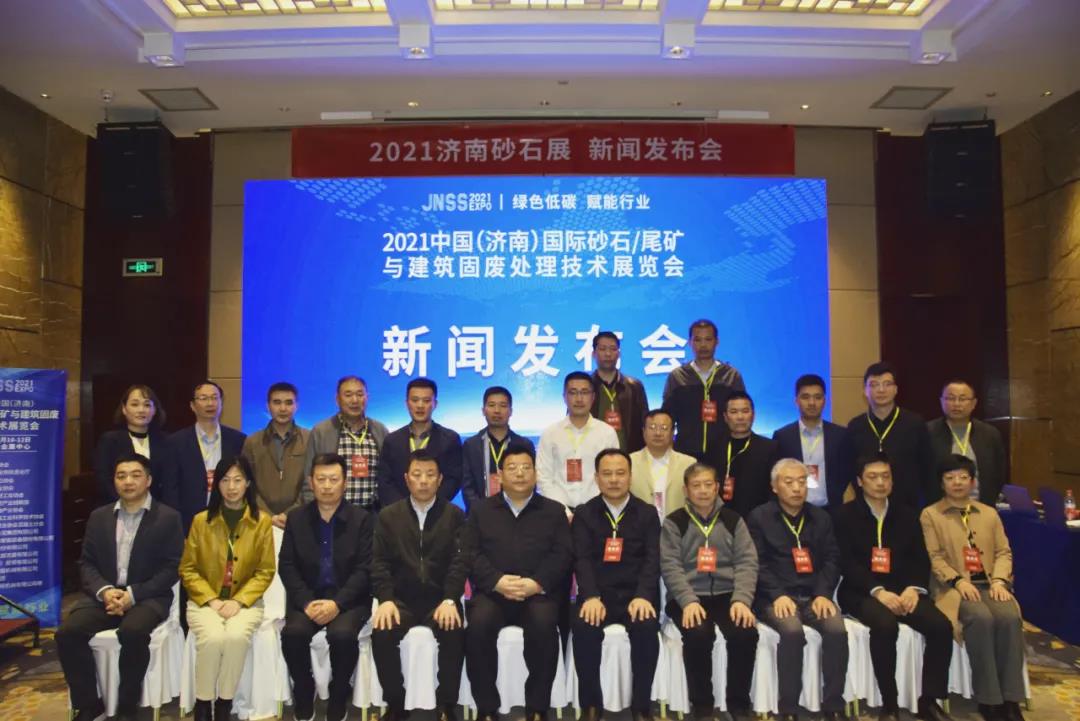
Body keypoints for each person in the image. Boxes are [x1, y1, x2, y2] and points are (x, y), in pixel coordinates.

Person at [57, 454, 184, 721]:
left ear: (148, 480)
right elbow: (87, 563)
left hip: (147, 596)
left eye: (136, 475)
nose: (128, 481)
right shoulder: (99, 517)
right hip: (105, 596)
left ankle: (126, 706)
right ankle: (88, 704)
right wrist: (105, 591)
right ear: (114, 481)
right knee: (68, 633)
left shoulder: (168, 517)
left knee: (133, 632)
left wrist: (132, 595)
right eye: (121, 476)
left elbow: (172, 568)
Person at [833, 453, 952, 721]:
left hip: (903, 590)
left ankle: (929, 700)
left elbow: (920, 559)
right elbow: (846, 563)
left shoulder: (907, 515)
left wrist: (914, 589)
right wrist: (878, 591)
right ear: (859, 481)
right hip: (861, 591)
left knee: (940, 627)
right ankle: (890, 703)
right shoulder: (844, 516)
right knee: (885, 625)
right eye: (873, 477)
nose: (880, 483)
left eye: (885, 477)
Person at [465, 444, 573, 721]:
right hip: (493, 592)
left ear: (536, 474)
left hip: (537, 592)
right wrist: (496, 581)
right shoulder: (480, 510)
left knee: (544, 625)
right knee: (477, 626)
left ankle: (537, 707)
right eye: (512, 468)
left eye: (526, 468)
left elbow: (562, 554)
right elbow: (470, 554)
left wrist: (537, 583)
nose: (520, 474)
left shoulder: (553, 511)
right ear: (500, 475)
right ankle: (486, 708)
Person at [920, 455, 1026, 721]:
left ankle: (1011, 699)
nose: (957, 483)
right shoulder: (931, 515)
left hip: (991, 584)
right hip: (954, 589)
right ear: (941, 483)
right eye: (950, 478)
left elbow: (1003, 552)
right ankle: (989, 701)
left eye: (963, 477)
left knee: (1009, 617)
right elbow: (935, 558)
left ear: (973, 482)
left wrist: (1000, 580)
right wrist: (958, 581)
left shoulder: (989, 513)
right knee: (981, 618)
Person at [371, 450, 468, 721]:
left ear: (440, 480)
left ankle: (446, 704)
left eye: (430, 475)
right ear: (406, 479)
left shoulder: (454, 515)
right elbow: (378, 563)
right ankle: (396, 704)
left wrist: (450, 599)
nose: (423, 481)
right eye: (417, 475)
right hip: (400, 600)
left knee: (453, 629)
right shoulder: (388, 516)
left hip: (440, 599)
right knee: (382, 631)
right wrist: (385, 599)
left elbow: (460, 563)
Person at [748, 459, 847, 721]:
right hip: (775, 597)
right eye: (789, 482)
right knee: (792, 631)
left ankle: (834, 704)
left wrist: (823, 594)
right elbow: (757, 562)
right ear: (774, 486)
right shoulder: (760, 517)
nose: (796, 488)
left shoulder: (820, 517)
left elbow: (832, 560)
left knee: (836, 629)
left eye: (802, 482)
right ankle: (789, 708)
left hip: (814, 596)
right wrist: (778, 594)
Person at [279, 453, 375, 721]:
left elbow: (365, 570)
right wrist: (306, 602)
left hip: (348, 600)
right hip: (308, 598)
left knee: (342, 635)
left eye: (334, 479)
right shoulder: (297, 518)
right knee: (293, 634)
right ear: (311, 482)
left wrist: (338, 604)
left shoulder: (362, 519)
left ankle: (339, 692)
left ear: (345, 483)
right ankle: (304, 689)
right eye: (321, 479)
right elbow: (287, 566)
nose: (327, 486)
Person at [660, 462, 758, 721]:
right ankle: (702, 705)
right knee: (698, 634)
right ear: (686, 490)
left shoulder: (733, 520)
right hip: (688, 596)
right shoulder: (674, 522)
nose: (702, 491)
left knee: (745, 633)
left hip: (728, 595)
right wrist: (688, 601)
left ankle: (738, 704)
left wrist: (742, 600)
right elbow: (670, 566)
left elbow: (747, 562)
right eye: (696, 485)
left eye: (708, 485)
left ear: (717, 488)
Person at [180, 455, 275, 721]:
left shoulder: (261, 522)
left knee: (234, 637)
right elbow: (188, 569)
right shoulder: (201, 521)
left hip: (246, 602)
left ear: (248, 483)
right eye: (225, 480)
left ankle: (224, 703)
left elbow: (265, 571)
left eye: (238, 480)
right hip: (204, 601)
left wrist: (239, 600)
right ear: (216, 485)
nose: (231, 487)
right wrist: (211, 600)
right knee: (212, 638)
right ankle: (203, 704)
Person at [571, 449, 660, 721]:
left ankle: (641, 706)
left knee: (646, 628)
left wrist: (643, 595)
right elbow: (581, 559)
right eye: (607, 474)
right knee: (584, 628)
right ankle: (591, 705)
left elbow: (653, 559)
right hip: (599, 595)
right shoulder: (585, 513)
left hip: (636, 595)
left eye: (620, 473)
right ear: (596, 478)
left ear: (630, 476)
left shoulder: (647, 513)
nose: (613, 480)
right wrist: (591, 596)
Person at [846, 363, 934, 508]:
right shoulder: (855, 426)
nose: (881, 390)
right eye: (874, 385)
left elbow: (927, 466)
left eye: (887, 384)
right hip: (867, 506)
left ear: (895, 389)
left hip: (908, 505)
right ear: (865, 391)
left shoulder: (914, 423)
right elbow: (850, 468)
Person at [167, 380, 247, 531]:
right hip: (189, 521)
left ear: (221, 403)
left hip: (230, 518)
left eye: (215, 398)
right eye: (203, 398)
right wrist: (177, 528)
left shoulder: (238, 440)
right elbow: (171, 489)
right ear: (192, 405)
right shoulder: (176, 442)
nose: (210, 403)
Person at [661, 319, 745, 459]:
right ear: (690, 343)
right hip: (685, 453)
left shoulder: (731, 376)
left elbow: (741, 413)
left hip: (724, 452)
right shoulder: (677, 377)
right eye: (698, 340)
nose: (703, 345)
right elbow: (667, 417)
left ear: (717, 342)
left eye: (708, 339)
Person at [536, 371, 619, 512]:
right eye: (573, 392)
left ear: (593, 397)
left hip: (597, 512)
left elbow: (612, 475)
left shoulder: (607, 433)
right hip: (558, 513)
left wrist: (594, 511)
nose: (579, 398)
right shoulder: (550, 434)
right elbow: (543, 477)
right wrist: (563, 511)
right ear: (564, 397)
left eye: (584, 392)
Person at [306, 375, 390, 511]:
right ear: (337, 399)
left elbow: (388, 476)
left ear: (367, 398)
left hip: (372, 512)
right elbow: (308, 477)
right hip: (333, 511)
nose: (355, 400)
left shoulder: (380, 430)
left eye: (360, 394)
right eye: (348, 395)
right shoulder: (321, 431)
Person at [378, 377, 463, 508]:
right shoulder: (392, 440)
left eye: (426, 400)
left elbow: (453, 480)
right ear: (407, 403)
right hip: (399, 513)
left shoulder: (450, 439)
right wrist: (403, 509)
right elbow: (385, 481)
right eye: (415, 400)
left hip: (437, 512)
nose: (420, 405)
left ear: (435, 404)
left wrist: (430, 506)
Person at [772, 374, 853, 509]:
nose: (811, 403)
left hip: (831, 510)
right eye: (805, 397)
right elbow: (778, 475)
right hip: (794, 509)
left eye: (817, 397)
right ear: (796, 401)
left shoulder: (840, 435)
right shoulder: (783, 436)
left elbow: (845, 472)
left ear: (824, 401)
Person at [242, 381, 311, 529]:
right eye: (277, 402)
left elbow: (311, 483)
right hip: (260, 520)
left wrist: (289, 514)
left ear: (296, 406)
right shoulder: (252, 442)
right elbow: (247, 483)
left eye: (289, 403)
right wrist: (268, 515)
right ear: (268, 406)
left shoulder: (309, 439)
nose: (283, 408)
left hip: (300, 519)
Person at [927, 380, 1007, 505]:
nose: (956, 404)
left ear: (974, 403)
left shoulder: (990, 434)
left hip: (981, 507)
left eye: (962, 399)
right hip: (939, 509)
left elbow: (999, 473)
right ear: (941, 401)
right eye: (950, 398)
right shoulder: (927, 433)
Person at [93, 384, 175, 506]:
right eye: (135, 404)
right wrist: (128, 505)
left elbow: (171, 481)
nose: (141, 410)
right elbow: (103, 480)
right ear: (124, 409)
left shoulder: (166, 441)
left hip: (158, 510)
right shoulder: (110, 440)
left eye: (147, 405)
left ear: (154, 410)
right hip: (119, 508)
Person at [703, 391, 778, 518]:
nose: (740, 417)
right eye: (733, 412)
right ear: (725, 417)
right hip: (719, 518)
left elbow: (774, 490)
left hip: (758, 518)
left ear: (753, 415)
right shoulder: (714, 447)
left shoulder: (770, 448)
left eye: (745, 411)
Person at [461, 386, 534, 512]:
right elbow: (467, 486)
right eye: (491, 405)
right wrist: (480, 512)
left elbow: (530, 482)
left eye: (503, 406)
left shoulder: (524, 444)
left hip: (517, 514)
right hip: (480, 515)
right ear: (483, 410)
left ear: (511, 411)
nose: (497, 410)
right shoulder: (471, 445)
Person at [629, 409, 696, 520]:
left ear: (672, 432)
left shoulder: (689, 463)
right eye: (652, 427)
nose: (658, 433)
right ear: (644, 431)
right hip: (639, 526)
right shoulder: (629, 462)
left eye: (664, 428)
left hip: (677, 527)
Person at [589, 331, 649, 453]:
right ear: (593, 354)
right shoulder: (586, 387)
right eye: (602, 349)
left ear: (619, 354)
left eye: (613, 349)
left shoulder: (634, 386)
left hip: (629, 456)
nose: (608, 354)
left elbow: (645, 424)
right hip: (593, 456)